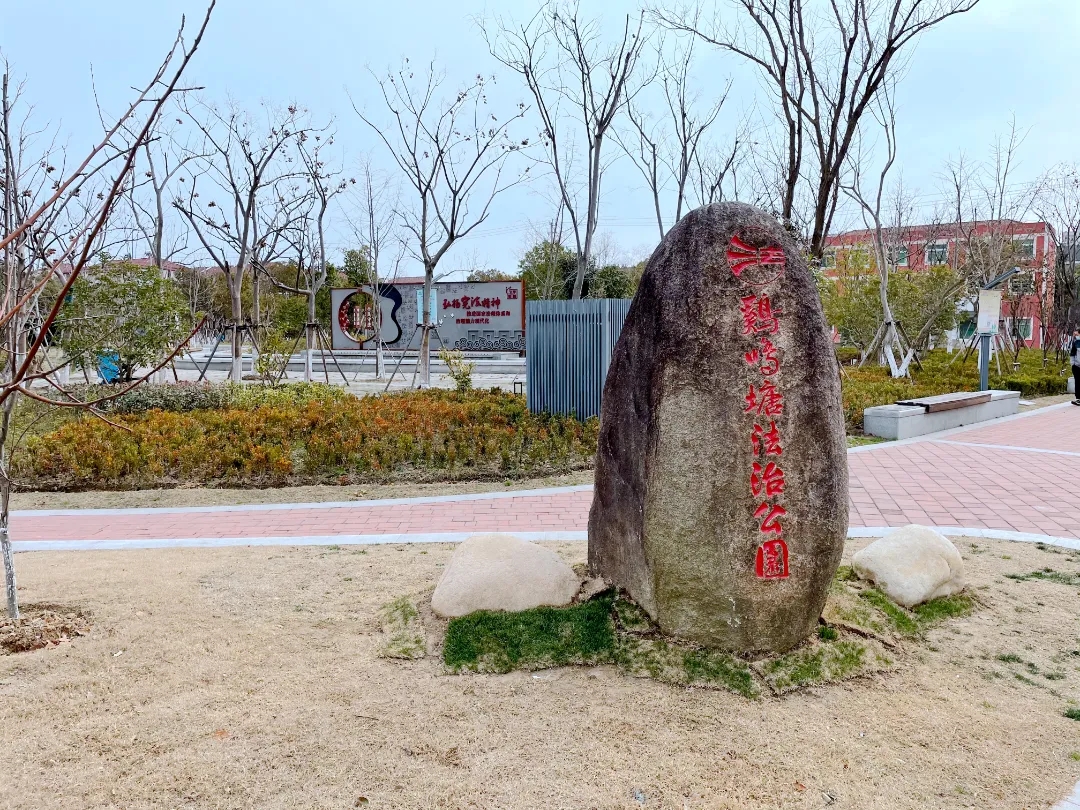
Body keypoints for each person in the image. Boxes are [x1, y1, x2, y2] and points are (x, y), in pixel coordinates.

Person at [1072, 327, 1080, 405]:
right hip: (1077, 366)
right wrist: (1073, 364)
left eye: (1076, 333)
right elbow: (1072, 354)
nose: (1075, 334)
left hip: (1077, 365)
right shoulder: (1076, 342)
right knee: (1077, 383)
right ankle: (1078, 399)